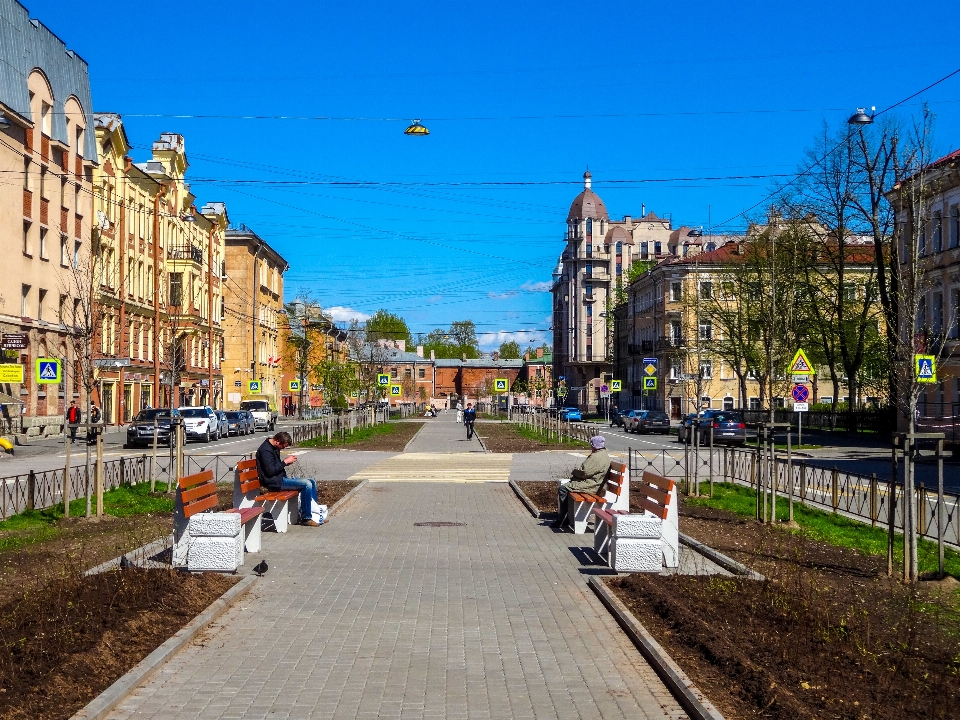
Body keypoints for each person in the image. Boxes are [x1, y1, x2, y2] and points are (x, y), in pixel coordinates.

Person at [256, 431, 322, 526]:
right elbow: (270, 471)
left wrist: (285, 463)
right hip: (274, 483)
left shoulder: (274, 447)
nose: (283, 448)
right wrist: (285, 462)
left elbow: (275, 467)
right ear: (278, 441)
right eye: (283, 446)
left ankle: (315, 514)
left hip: (280, 479)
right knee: (307, 484)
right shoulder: (265, 450)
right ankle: (306, 518)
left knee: (311, 481)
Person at [551, 435, 612, 529]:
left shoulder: (596, 457)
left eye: (591, 445)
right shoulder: (603, 454)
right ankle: (565, 517)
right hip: (594, 483)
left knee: (563, 489)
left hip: (591, 485)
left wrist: (574, 471)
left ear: (594, 445)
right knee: (567, 488)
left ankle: (563, 519)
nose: (591, 447)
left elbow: (584, 472)